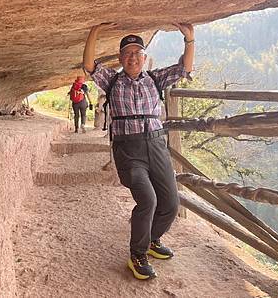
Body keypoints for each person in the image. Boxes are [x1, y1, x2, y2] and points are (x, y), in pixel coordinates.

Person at [82, 22, 195, 280]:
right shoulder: (112, 81)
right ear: (121, 58)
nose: (133, 57)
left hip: (156, 145)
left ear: (144, 58)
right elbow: (89, 66)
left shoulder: (155, 79)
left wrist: (189, 39)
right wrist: (94, 33)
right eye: (128, 53)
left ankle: (153, 239)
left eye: (137, 53)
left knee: (170, 202)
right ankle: (138, 254)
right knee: (148, 200)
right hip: (129, 149)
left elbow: (184, 69)